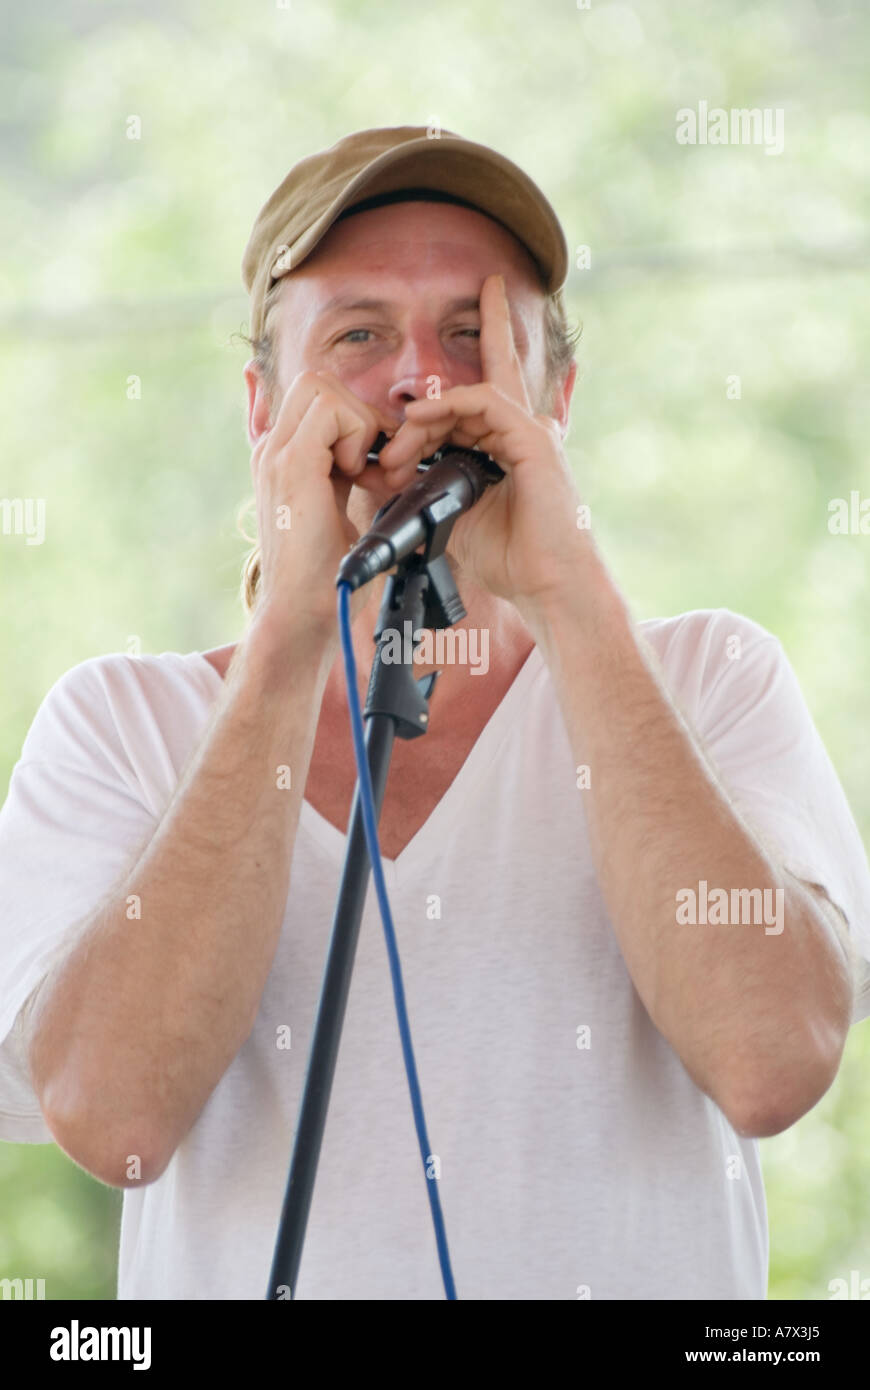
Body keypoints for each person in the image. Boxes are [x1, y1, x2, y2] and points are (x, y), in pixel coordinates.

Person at [1, 125, 868, 1302]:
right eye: (360, 334)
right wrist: (292, 630)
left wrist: (567, 589)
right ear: (262, 409)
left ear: (556, 398)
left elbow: (776, 1064)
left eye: (473, 336)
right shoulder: (122, 726)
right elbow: (114, 1118)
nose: (421, 378)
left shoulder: (714, 682)